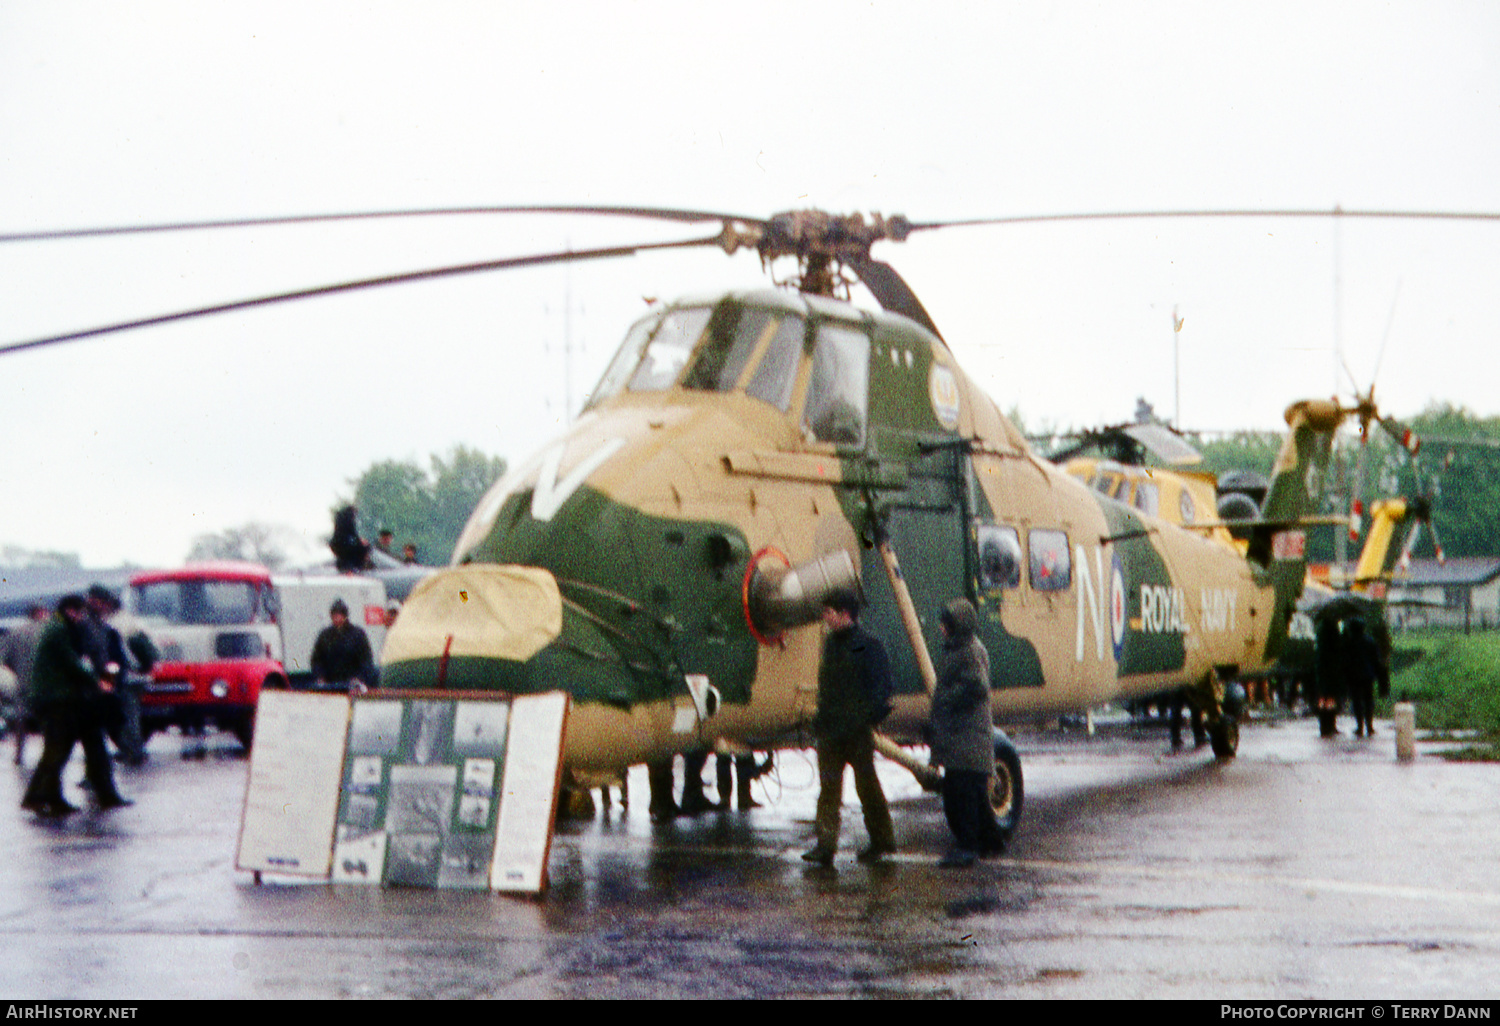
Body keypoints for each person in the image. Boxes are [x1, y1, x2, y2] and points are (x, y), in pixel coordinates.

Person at [802, 589, 895, 866]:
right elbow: (828, 688)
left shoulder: (867, 645)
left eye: (829, 612)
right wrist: (820, 721)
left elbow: (883, 688)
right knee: (829, 790)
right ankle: (825, 846)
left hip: (856, 733)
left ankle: (883, 840)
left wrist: (867, 718)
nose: (825, 617)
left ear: (845, 614)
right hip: (830, 731)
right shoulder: (831, 644)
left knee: (867, 787)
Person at [21, 595, 133, 816]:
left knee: (85, 746)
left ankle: (58, 797)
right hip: (58, 699)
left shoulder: (64, 627)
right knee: (58, 749)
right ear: (71, 611)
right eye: (79, 612)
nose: (82, 617)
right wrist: (98, 682)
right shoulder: (59, 631)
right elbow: (72, 663)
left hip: (71, 698)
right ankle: (40, 797)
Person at [929, 598, 1006, 867]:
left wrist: (948, 699)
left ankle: (968, 847)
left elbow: (977, 687)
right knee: (969, 795)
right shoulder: (958, 648)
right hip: (962, 738)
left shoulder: (970, 651)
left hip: (968, 737)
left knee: (961, 797)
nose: (941, 628)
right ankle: (991, 841)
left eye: (945, 623)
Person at [84, 584, 148, 765]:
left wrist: (108, 684)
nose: (105, 607)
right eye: (103, 603)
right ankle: (131, 752)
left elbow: (112, 658)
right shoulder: (94, 625)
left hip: (109, 680)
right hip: (105, 681)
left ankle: (130, 752)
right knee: (115, 722)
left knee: (113, 722)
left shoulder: (106, 626)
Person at [2, 604, 49, 765]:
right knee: (48, 720)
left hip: (24, 683)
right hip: (47, 684)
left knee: (21, 720)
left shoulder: (15, 633)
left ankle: (19, 756)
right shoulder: (50, 632)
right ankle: (49, 755)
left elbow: (5, 659)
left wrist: (19, 670)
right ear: (41, 613)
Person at [310, 599, 377, 693]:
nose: (337, 618)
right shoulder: (324, 636)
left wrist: (359, 678)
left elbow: (366, 661)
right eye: (334, 615)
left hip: (352, 686)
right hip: (330, 686)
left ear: (345, 615)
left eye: (339, 614)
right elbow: (316, 660)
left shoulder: (357, 634)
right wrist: (320, 677)